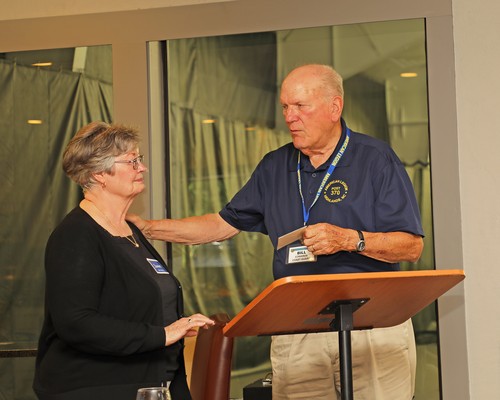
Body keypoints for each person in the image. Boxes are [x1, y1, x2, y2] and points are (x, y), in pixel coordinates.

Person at [128, 64, 424, 399]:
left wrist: (348, 239)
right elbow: (221, 224)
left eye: (301, 106)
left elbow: (410, 247)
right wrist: (148, 228)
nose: (290, 117)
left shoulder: (376, 160)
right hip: (296, 329)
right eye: (285, 106)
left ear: (334, 107)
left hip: (370, 326)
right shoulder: (274, 165)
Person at [33, 121, 214, 400]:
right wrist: (163, 334)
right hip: (95, 389)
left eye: (139, 160)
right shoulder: (76, 235)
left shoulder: (131, 232)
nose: (142, 168)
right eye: (132, 161)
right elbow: (76, 323)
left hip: (154, 384)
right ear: (99, 174)